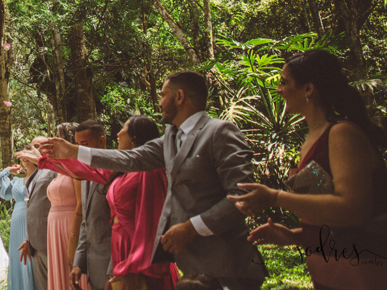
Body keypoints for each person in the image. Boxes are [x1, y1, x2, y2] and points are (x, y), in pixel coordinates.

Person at [41, 71, 266, 290]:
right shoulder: (170, 136)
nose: (159, 103)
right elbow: (130, 158)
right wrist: (73, 151)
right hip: (191, 266)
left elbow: (242, 197)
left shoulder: (220, 132)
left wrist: (191, 228)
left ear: (179, 97)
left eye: (162, 95)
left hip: (229, 263)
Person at [230, 49, 387, 289]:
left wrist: (275, 198)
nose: (278, 89)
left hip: (374, 279)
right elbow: (339, 226)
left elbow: (352, 210)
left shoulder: (342, 134)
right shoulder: (311, 141)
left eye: (284, 82)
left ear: (308, 88)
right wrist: (295, 236)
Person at [23, 117, 178, 290]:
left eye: (124, 128)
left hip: (138, 257)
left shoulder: (149, 171)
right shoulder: (121, 170)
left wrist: (132, 268)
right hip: (119, 250)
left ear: (136, 137)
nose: (118, 133)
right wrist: (46, 161)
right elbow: (86, 170)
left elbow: (150, 223)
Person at [71, 121, 112, 290]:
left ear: (101, 142)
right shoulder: (85, 174)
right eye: (77, 144)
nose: (79, 149)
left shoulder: (114, 171)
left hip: (113, 265)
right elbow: (86, 223)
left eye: (84, 144)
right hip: (93, 266)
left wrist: (114, 270)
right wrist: (78, 263)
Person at [40, 123, 81, 290]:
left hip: (70, 225)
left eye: (57, 136)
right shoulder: (59, 166)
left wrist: (73, 239)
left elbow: (81, 203)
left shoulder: (76, 164)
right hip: (54, 229)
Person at [0, 146, 35, 290]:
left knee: (31, 261)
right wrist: (7, 171)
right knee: (18, 259)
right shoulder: (17, 181)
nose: (24, 156)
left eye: (28, 153)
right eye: (22, 154)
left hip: (32, 218)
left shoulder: (41, 177)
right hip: (17, 222)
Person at [19, 136, 57, 290]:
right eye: (34, 146)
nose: (36, 150)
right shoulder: (36, 173)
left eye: (40, 146)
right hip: (36, 242)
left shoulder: (55, 169)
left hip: (52, 238)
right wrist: (28, 239)